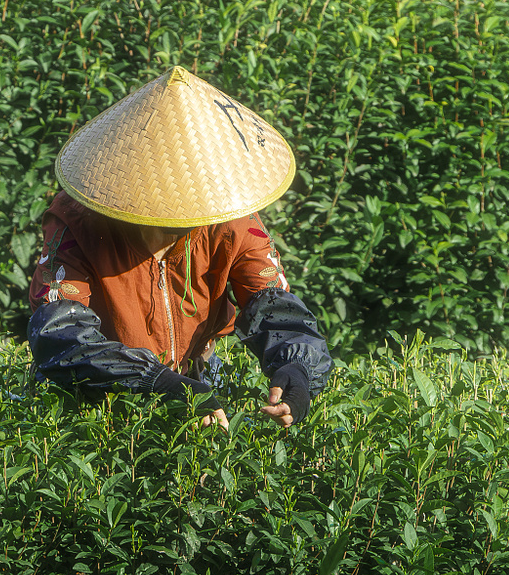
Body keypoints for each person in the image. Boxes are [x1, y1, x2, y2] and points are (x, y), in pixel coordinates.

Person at [27, 67, 334, 427]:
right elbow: (60, 334)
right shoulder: (77, 220)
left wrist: (296, 370)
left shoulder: (231, 221)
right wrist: (155, 380)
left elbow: (276, 308)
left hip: (198, 375)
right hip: (100, 388)